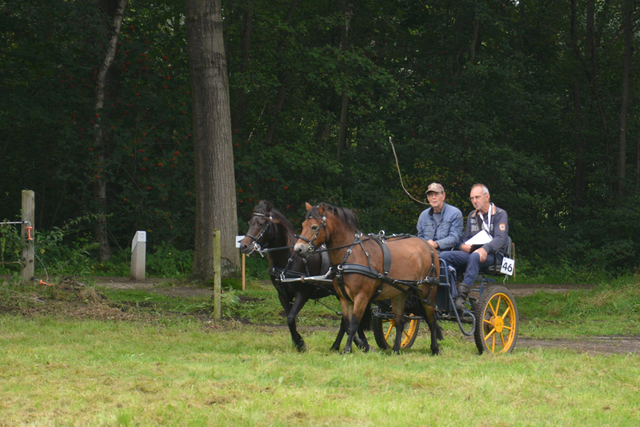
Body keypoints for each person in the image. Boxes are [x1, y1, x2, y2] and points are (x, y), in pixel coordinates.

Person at [439, 184, 509, 312]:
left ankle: (461, 297)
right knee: (444, 256)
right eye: (472, 198)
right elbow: (464, 239)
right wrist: (462, 246)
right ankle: (451, 294)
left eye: (477, 197)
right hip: (473, 252)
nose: (474, 201)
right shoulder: (472, 215)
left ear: (487, 197)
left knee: (475, 256)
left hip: (494, 254)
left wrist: (485, 249)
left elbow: (500, 239)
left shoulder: (500, 214)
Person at [417, 182, 463, 252]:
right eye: (430, 195)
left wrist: (437, 244)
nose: (433, 197)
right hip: (426, 253)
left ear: (443, 196)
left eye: (436, 194)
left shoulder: (455, 213)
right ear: (428, 198)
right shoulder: (423, 215)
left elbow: (455, 238)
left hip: (447, 254)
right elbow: (419, 238)